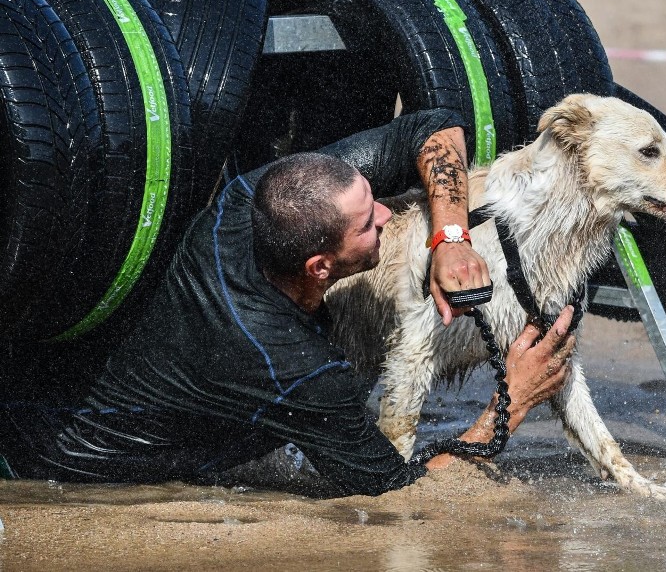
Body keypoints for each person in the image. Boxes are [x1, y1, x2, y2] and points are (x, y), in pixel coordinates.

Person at [0, 110, 576, 496]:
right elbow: (397, 493)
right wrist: (512, 402)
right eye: (369, 224)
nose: (386, 216)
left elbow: (432, 126)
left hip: (45, 382)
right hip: (62, 469)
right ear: (319, 267)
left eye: (372, 198)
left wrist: (450, 238)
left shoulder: (249, 197)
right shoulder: (286, 363)